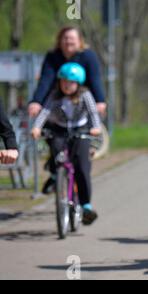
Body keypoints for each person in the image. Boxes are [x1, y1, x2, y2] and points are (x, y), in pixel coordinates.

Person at [28, 26, 106, 194]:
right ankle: (56, 172)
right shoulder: (53, 57)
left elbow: (95, 80)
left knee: (82, 146)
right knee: (53, 137)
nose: (68, 41)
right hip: (56, 106)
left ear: (80, 41)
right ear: (59, 41)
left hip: (82, 106)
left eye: (72, 38)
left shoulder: (88, 56)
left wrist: (100, 101)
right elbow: (45, 81)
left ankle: (84, 161)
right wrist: (36, 102)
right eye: (65, 38)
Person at [31, 63, 102, 225]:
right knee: (56, 152)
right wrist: (36, 127)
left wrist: (96, 128)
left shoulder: (85, 95)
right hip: (60, 129)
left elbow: (92, 113)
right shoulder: (54, 95)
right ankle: (56, 176)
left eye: (70, 82)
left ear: (77, 84)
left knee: (82, 167)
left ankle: (86, 205)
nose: (67, 85)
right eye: (64, 82)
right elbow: (45, 111)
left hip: (80, 129)